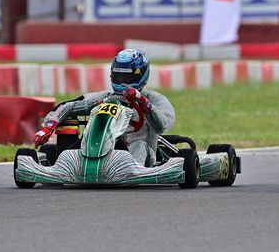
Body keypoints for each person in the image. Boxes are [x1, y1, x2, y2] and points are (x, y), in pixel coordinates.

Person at [33, 48, 175, 167]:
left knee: (139, 145)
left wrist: (143, 102)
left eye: (127, 78)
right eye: (119, 77)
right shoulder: (107, 96)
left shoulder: (155, 100)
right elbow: (68, 106)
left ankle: (129, 170)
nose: (122, 82)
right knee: (69, 120)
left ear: (142, 74)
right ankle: (65, 164)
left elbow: (162, 126)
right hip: (105, 147)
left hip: (138, 152)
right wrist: (48, 128)